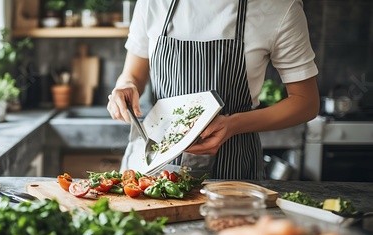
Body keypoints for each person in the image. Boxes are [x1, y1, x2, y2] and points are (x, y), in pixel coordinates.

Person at [106, 0, 320, 180]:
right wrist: (125, 86)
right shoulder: (153, 2)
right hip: (152, 163)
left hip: (233, 170)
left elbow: (306, 102)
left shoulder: (279, 7)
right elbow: (133, 75)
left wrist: (233, 125)